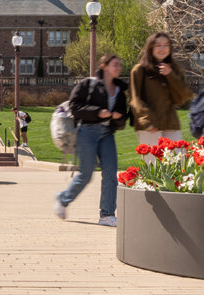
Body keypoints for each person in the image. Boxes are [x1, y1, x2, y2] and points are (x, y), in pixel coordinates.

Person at [55, 54, 129, 227]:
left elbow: (123, 117)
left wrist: (118, 116)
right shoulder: (88, 84)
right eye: (115, 64)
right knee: (86, 174)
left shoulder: (120, 90)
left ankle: (107, 214)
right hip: (87, 131)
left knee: (111, 174)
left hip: (107, 134)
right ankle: (63, 199)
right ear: (104, 66)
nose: (119, 67)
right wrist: (97, 112)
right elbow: (75, 106)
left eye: (120, 65)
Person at [129, 32, 193, 162]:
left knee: (180, 164)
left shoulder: (174, 70)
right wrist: (148, 122)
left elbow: (181, 97)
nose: (162, 49)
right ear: (151, 47)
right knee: (153, 169)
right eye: (158, 45)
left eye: (165, 45)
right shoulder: (139, 70)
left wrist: (170, 75)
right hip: (149, 126)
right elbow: (135, 99)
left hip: (170, 122)